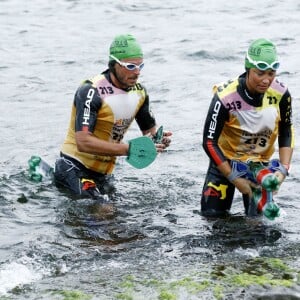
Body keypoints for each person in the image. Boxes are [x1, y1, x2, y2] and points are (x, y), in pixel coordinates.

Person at [54, 34, 172, 200]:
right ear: (114, 64)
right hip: (74, 167)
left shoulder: (140, 93)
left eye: (140, 66)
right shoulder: (91, 91)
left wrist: (158, 141)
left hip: (104, 175)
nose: (137, 72)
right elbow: (83, 142)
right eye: (130, 66)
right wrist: (128, 149)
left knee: (118, 218)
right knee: (105, 213)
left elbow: (149, 133)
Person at [201, 38, 294, 217]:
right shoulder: (225, 96)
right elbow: (209, 142)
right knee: (213, 221)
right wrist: (234, 178)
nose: (266, 80)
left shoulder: (281, 94)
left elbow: (286, 130)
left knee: (258, 230)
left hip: (258, 167)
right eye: (260, 73)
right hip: (224, 163)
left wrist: (283, 169)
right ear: (248, 68)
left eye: (271, 73)